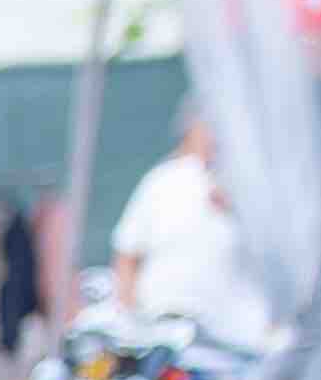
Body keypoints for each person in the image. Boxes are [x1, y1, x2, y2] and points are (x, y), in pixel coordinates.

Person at [113, 106, 283, 355]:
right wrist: (129, 319)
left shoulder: (261, 188)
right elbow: (127, 255)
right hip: (163, 337)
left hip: (238, 341)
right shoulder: (161, 182)